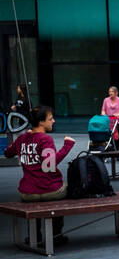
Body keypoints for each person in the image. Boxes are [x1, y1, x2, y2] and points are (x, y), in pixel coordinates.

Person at [4, 105, 75, 247]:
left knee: (34, 202)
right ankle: (56, 235)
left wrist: (24, 139)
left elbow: (7, 153)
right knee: (66, 188)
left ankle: (34, 236)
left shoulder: (22, 138)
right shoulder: (45, 139)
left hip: (28, 192)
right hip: (51, 190)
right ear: (41, 122)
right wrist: (67, 145)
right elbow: (50, 164)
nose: (53, 121)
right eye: (50, 119)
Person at [101, 86, 119, 151]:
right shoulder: (106, 100)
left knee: (118, 138)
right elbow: (103, 110)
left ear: (116, 93)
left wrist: (118, 114)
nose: (110, 93)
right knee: (110, 138)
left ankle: (118, 149)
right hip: (109, 122)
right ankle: (112, 150)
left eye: (112, 91)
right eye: (109, 91)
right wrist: (103, 114)